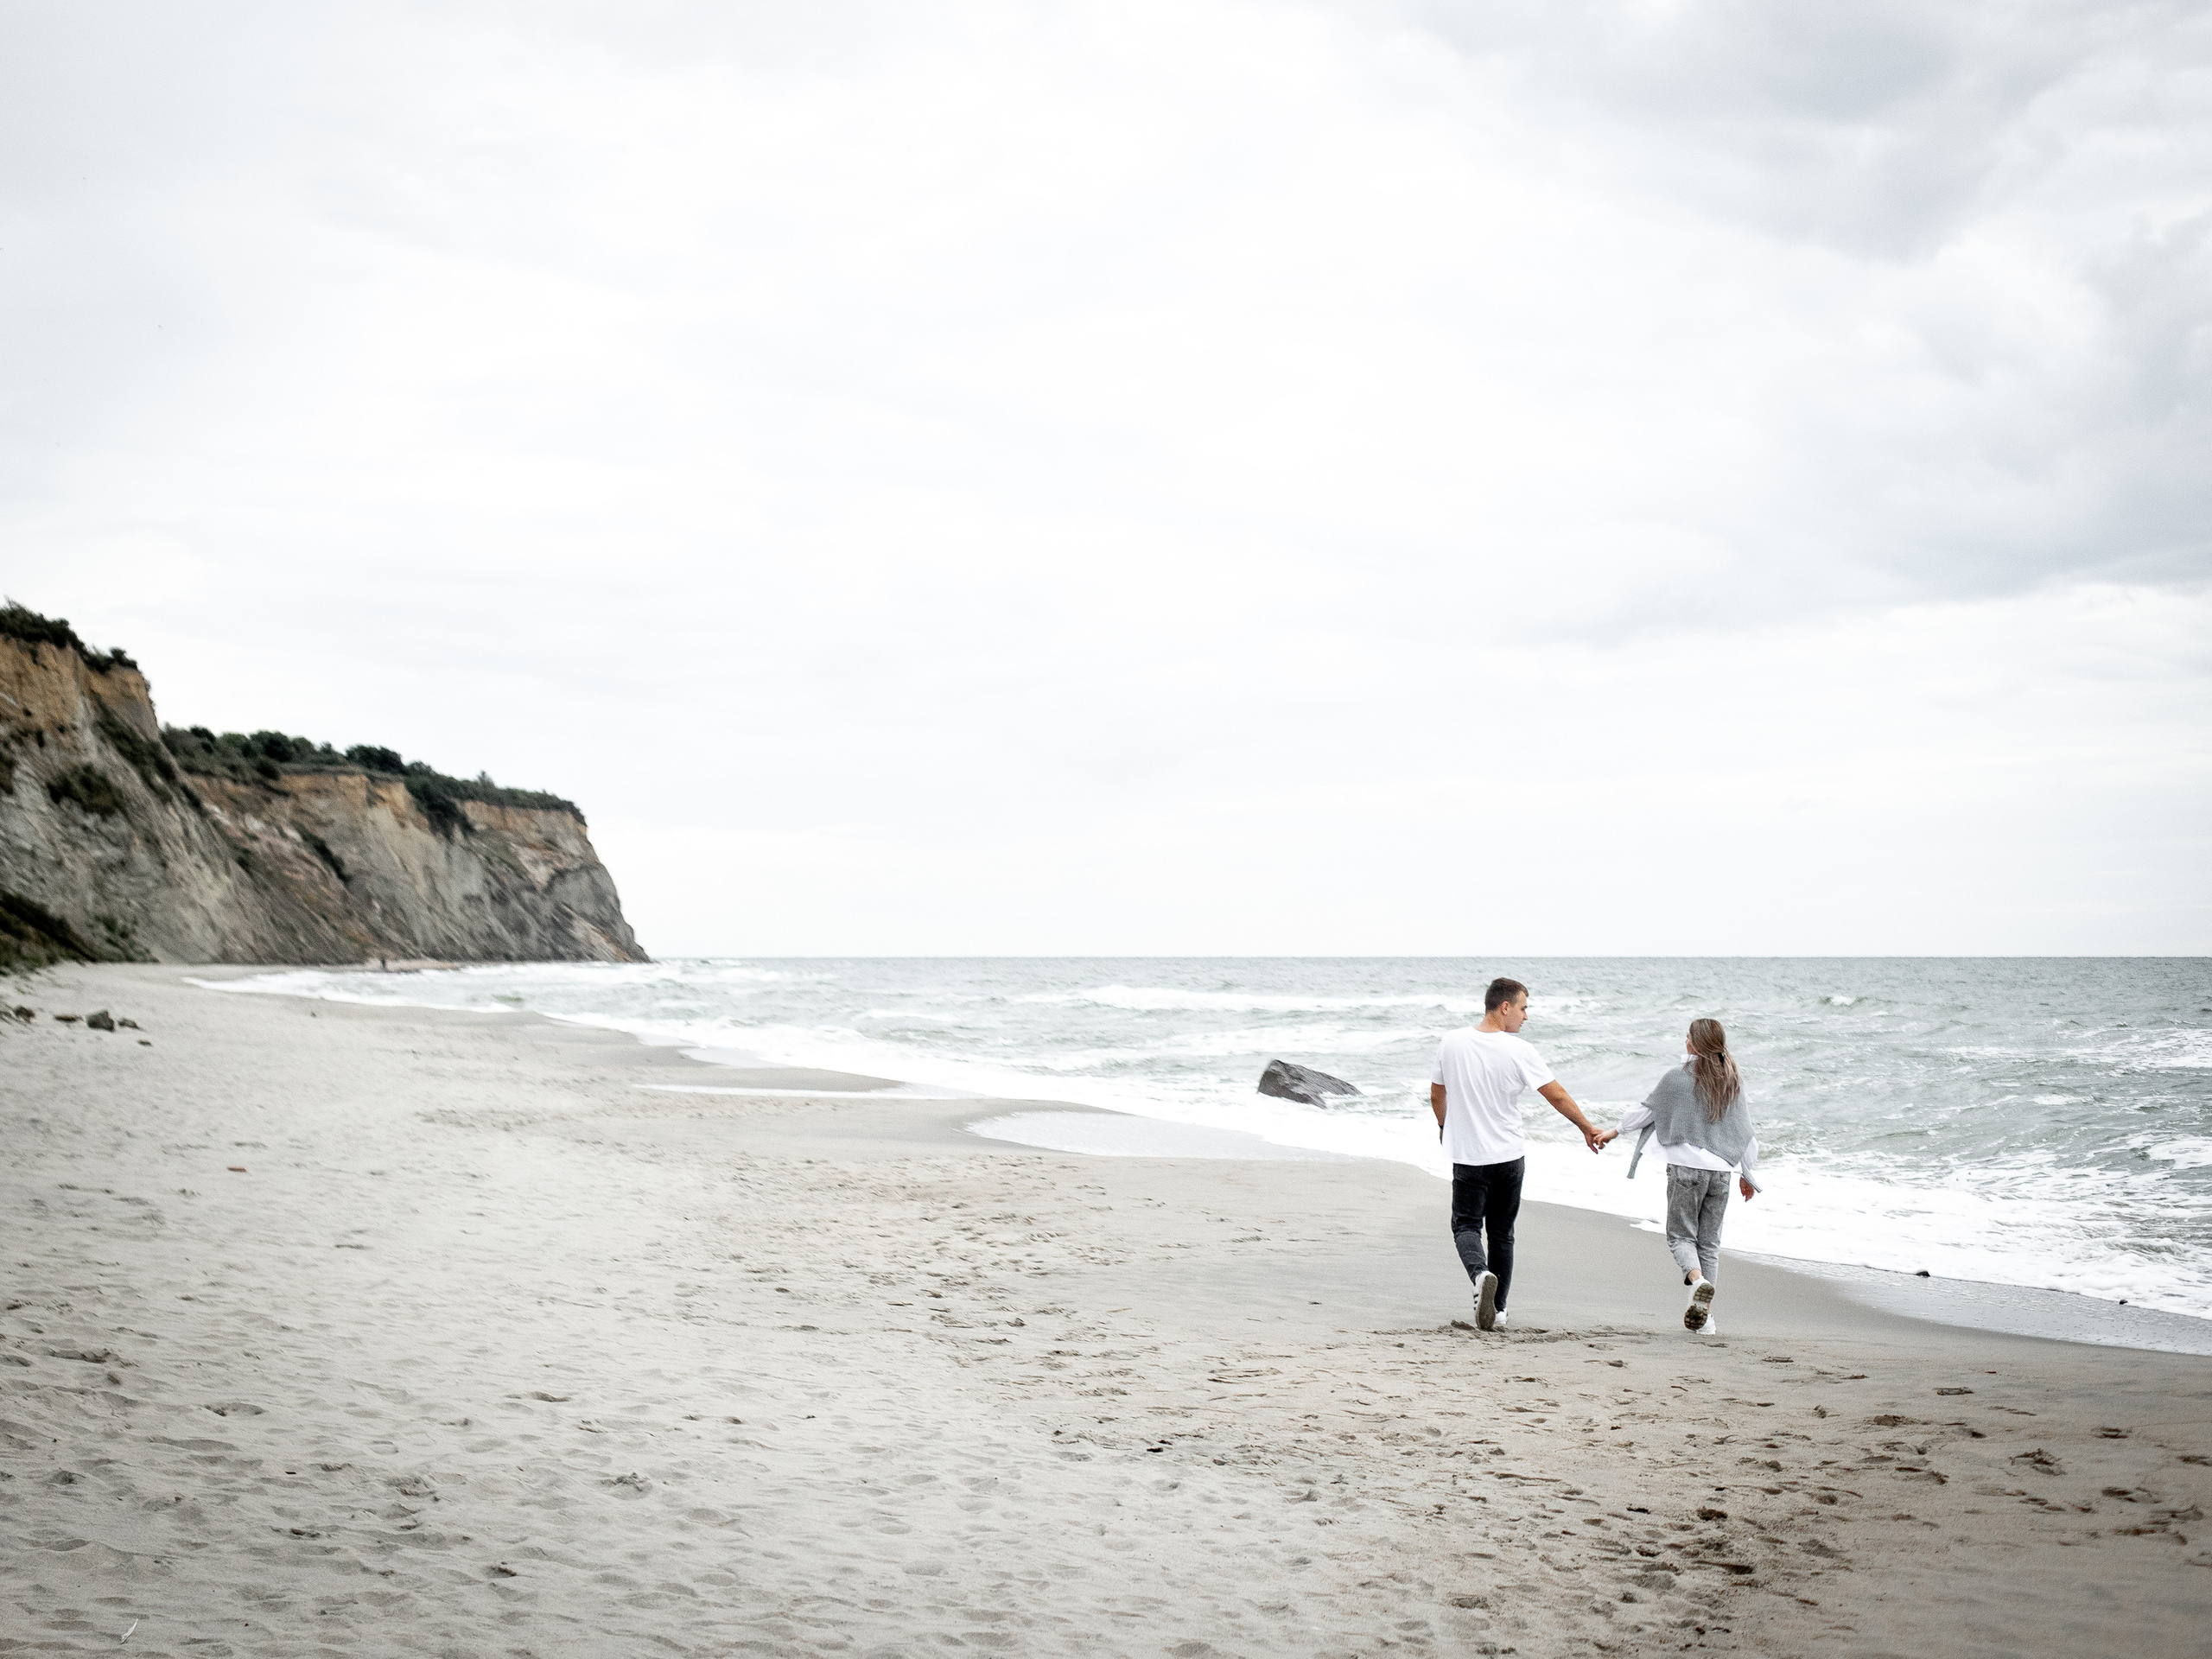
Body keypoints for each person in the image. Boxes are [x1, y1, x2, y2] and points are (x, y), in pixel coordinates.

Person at [1430, 977, 1613, 1332]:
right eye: (1524, 1008)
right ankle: (1498, 1311)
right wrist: (1586, 1127)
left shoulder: (1451, 1042)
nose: (1526, 1017)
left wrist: (1444, 1127)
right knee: (1502, 1233)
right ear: (1505, 1007)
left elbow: (1437, 1093)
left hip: (1468, 1156)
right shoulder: (1520, 1050)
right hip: (1509, 1157)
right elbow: (1556, 1094)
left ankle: (1480, 1274)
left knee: (1466, 1225)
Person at [1617, 1017, 1760, 1335]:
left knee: (1680, 1237)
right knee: (1709, 1244)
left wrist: (1614, 1131)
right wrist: (1747, 1174)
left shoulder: (1677, 1078)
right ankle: (1705, 1320)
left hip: (1686, 1171)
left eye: (1687, 1037)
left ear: (1694, 1044)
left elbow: (1647, 1112)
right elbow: (1746, 1134)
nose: (1685, 1041)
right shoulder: (1731, 1081)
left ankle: (1697, 1281)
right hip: (1723, 1173)